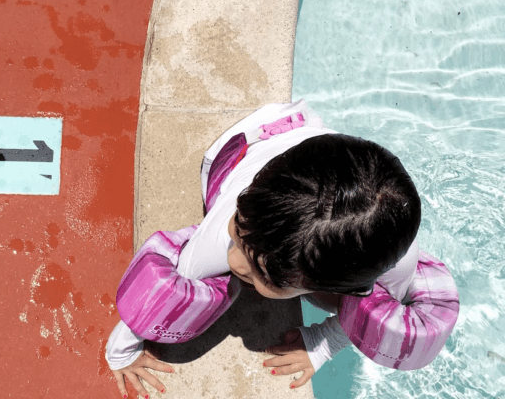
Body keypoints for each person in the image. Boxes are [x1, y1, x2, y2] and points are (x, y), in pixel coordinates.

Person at [105, 100, 425, 398]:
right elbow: (158, 296)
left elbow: (369, 312)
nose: (234, 263)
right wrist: (120, 354)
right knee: (226, 247)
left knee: (334, 293)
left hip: (320, 159)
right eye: (239, 229)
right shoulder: (224, 236)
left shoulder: (398, 262)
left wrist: (322, 344)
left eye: (263, 275)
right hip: (247, 146)